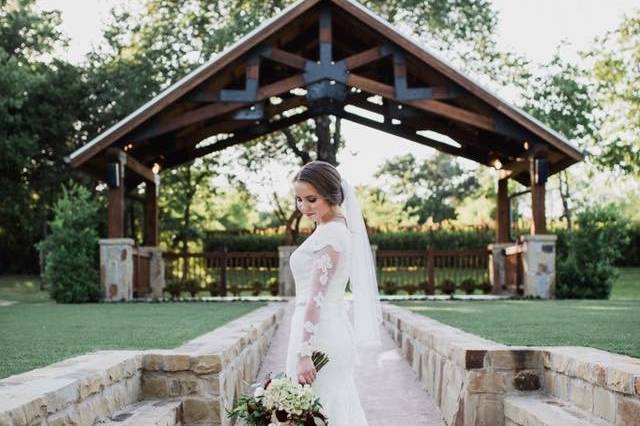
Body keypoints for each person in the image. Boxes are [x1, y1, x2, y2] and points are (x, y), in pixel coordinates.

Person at [285, 160, 383, 426]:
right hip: (325, 332)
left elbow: (316, 300)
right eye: (299, 200)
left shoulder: (332, 235)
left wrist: (305, 353)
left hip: (319, 341)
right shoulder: (332, 230)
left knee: (320, 413)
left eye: (311, 199)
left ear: (331, 195)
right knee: (329, 411)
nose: (303, 208)